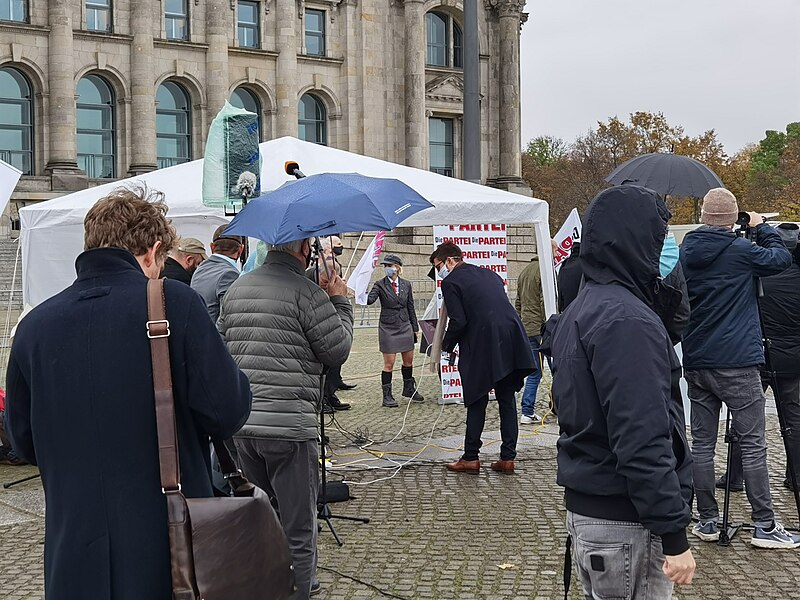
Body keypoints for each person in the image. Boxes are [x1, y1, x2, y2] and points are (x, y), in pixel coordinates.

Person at [4, 186, 252, 600]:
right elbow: (227, 411)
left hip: (73, 551)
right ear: (153, 252)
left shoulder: (34, 326)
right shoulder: (177, 302)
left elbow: (23, 442)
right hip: (168, 552)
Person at [548, 185, 695, 597]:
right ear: (637, 238)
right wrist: (674, 534)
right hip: (625, 518)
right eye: (658, 236)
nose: (662, 248)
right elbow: (641, 437)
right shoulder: (626, 319)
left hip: (595, 509)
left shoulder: (584, 306)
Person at [218, 237, 354, 600]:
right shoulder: (307, 293)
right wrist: (340, 301)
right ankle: (299, 589)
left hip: (245, 426)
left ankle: (264, 585)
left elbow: (221, 347)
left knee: (261, 518)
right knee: (299, 525)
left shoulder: (236, 289)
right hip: (290, 428)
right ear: (304, 249)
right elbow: (337, 349)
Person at [680, 187, 797, 548]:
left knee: (701, 444)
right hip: (738, 361)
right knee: (753, 445)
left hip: (698, 359)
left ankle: (709, 521)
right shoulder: (741, 250)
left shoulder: (685, 251)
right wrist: (762, 227)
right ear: (732, 219)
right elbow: (780, 259)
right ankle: (764, 525)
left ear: (702, 217)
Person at [431, 242, 534, 474]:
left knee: (477, 399)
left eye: (438, 266)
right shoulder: (490, 274)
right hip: (511, 338)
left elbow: (459, 321)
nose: (439, 273)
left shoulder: (451, 282)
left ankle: (470, 458)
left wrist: (445, 346)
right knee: (507, 400)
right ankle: (508, 458)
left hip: (483, 342)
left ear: (449, 261)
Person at [717, 223, 800, 493]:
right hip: (793, 359)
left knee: (745, 418)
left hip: (758, 355)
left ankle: (735, 477)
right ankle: (795, 477)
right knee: (795, 419)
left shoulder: (756, 272)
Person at [367, 254, 423, 408]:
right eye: (385, 266)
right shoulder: (379, 285)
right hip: (388, 326)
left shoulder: (406, 284)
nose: (387, 268)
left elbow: (410, 305)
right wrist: (359, 292)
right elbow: (369, 300)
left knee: (408, 361)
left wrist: (415, 327)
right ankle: (387, 396)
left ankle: (408, 388)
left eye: (389, 265)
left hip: (405, 324)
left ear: (397, 267)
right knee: (389, 364)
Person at [309, 236, 354, 412]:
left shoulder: (334, 267)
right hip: (321, 325)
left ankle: (330, 394)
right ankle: (323, 399)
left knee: (333, 367)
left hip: (334, 321)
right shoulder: (311, 274)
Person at [190, 224, 246, 324]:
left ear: (212, 247)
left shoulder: (199, 270)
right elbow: (228, 316)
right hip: (215, 337)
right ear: (241, 250)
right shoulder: (229, 274)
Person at [514, 254, 545, 424]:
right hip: (541, 328)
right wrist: (547, 323)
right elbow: (543, 301)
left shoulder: (524, 271)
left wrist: (522, 322)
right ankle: (560, 407)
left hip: (528, 328)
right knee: (558, 370)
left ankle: (527, 411)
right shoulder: (543, 271)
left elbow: (518, 302)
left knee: (534, 373)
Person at [556, 240, 582, 312]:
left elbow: (560, 287)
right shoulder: (586, 264)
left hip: (566, 310)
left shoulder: (566, 263)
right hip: (580, 309)